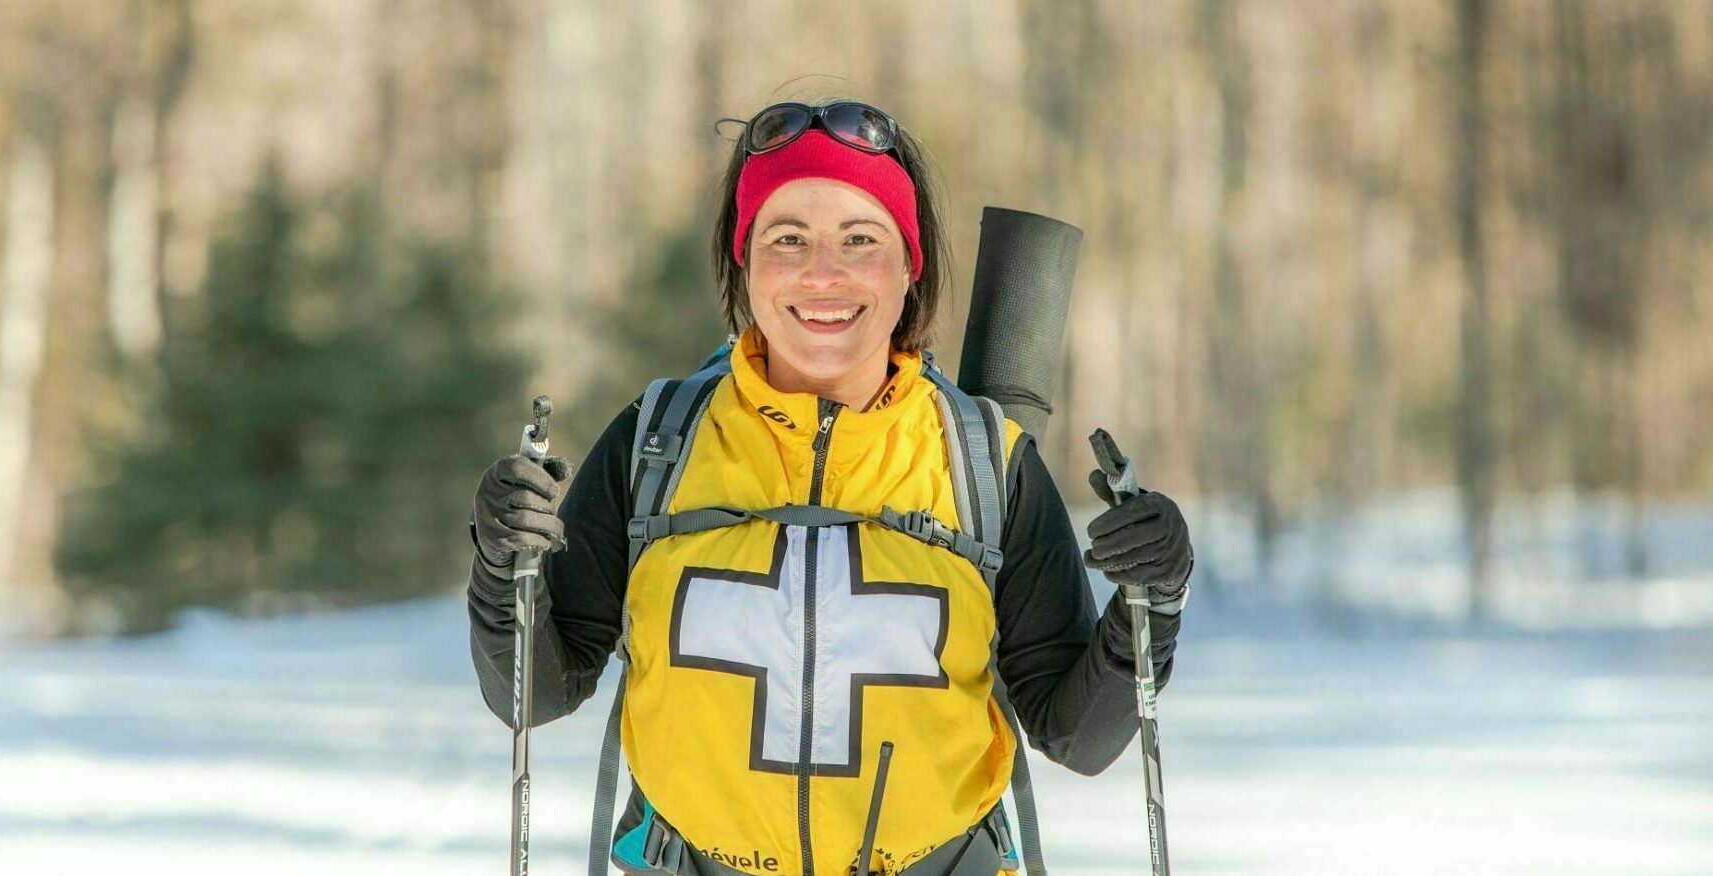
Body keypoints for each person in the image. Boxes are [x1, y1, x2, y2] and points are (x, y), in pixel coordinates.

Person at [467, 98, 1193, 876]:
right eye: (788, 238)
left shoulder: (988, 463)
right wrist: (503, 564)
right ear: (743, 262)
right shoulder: (658, 444)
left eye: (860, 239)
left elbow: (1078, 736)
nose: (824, 273)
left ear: (911, 266)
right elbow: (532, 694)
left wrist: (1149, 607)